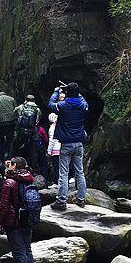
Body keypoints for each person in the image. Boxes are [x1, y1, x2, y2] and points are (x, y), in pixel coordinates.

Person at [0, 157, 36, 263]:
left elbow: (3, 206)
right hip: (27, 219)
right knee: (27, 249)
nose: (8, 166)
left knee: (19, 252)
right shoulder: (29, 178)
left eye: (10, 164)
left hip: (13, 222)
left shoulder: (9, 182)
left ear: (15, 166)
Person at [49, 82, 88, 211]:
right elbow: (83, 100)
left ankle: (61, 201)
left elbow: (51, 104)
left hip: (66, 144)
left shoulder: (63, 105)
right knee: (80, 172)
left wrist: (56, 91)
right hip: (79, 144)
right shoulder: (83, 105)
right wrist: (76, 92)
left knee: (63, 173)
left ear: (67, 93)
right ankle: (81, 200)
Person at [13, 94, 41, 170]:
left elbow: (14, 112)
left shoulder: (21, 107)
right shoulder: (37, 109)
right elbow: (38, 119)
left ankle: (17, 165)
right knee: (33, 151)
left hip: (21, 132)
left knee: (17, 148)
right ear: (34, 100)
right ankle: (34, 169)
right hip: (33, 132)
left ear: (26, 100)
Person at [47, 112, 61, 185]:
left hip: (55, 150)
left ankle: (56, 182)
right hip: (62, 148)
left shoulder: (52, 128)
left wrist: (49, 151)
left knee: (56, 167)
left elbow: (51, 141)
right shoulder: (61, 126)